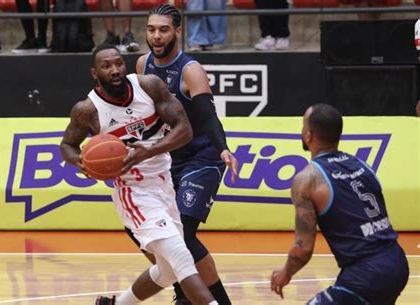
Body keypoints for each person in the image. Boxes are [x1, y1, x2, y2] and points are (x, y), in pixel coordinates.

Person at [60, 43, 218, 305]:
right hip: (132, 192)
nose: (115, 70)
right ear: (94, 73)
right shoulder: (88, 110)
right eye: (106, 66)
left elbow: (184, 130)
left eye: (118, 63)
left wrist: (148, 151)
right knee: (180, 254)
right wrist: (81, 162)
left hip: (164, 184)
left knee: (167, 272)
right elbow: (67, 145)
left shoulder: (149, 86)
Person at [133, 4, 238, 305]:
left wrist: (223, 148)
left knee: (182, 235)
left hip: (202, 159)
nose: (156, 35)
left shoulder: (190, 70)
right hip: (165, 161)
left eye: (163, 29)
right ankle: (187, 294)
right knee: (155, 235)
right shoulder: (142, 66)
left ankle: (189, 297)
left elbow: (207, 115)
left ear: (177, 32)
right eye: (151, 29)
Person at [270, 103, 409, 304]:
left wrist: (285, 273)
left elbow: (303, 249)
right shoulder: (362, 165)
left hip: (366, 275)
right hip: (396, 261)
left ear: (308, 135)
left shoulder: (308, 179)